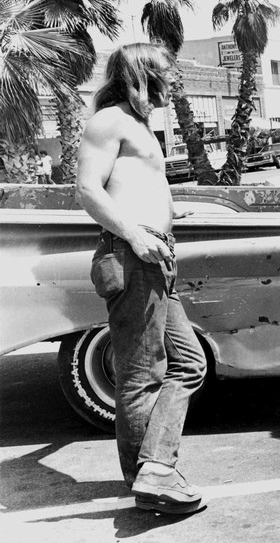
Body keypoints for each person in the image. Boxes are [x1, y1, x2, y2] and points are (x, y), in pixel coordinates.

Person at [75, 43, 206, 514]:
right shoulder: (109, 120)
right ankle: (150, 477)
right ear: (142, 74)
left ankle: (152, 469)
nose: (174, 80)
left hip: (153, 255)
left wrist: (169, 213)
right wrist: (134, 232)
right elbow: (87, 189)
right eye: (167, 73)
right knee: (141, 375)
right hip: (132, 254)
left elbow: (136, 185)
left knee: (188, 362)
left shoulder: (138, 124)